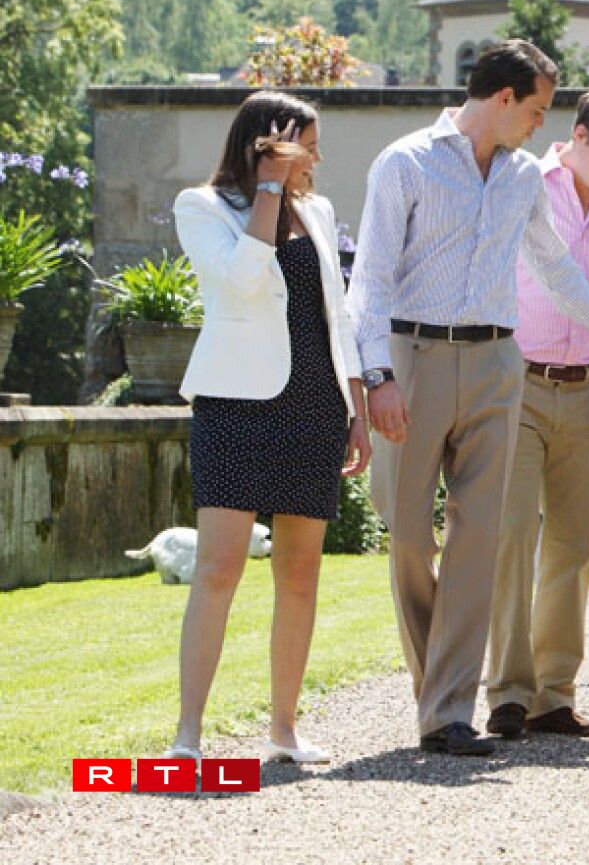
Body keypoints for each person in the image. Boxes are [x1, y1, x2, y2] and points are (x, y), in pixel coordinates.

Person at [347, 41, 589, 756]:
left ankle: (449, 709)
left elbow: (556, 267)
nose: (543, 127)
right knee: (411, 536)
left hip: (494, 362)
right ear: (504, 98)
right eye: (539, 109)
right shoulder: (404, 162)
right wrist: (378, 378)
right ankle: (437, 691)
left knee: (478, 541)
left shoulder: (520, 178)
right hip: (413, 357)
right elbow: (372, 283)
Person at [169, 91, 371, 762]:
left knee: (301, 572)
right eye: (306, 144)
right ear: (267, 145)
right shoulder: (201, 207)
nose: (318, 157)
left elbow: (336, 318)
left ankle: (284, 730)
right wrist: (266, 192)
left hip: (314, 404)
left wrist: (357, 410)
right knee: (219, 568)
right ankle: (187, 738)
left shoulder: (318, 211)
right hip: (234, 406)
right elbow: (240, 285)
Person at [484, 84, 589, 740]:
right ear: (579, 133)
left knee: (573, 545)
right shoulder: (524, 182)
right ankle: (506, 691)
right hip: (518, 380)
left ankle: (554, 694)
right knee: (510, 534)